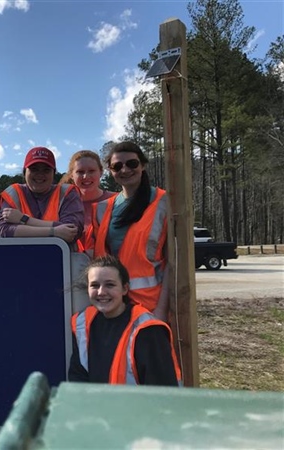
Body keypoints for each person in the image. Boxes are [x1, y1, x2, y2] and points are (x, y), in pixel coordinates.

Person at [87, 141, 169, 320]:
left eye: (132, 163)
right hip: (111, 303)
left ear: (143, 165)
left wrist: (162, 310)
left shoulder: (164, 202)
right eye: (117, 166)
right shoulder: (101, 209)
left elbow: (173, 263)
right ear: (110, 170)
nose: (125, 170)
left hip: (149, 304)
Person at [68, 255, 181, 386]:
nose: (101, 292)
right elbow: (78, 380)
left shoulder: (148, 329)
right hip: (97, 405)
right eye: (94, 285)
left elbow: (161, 391)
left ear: (125, 289)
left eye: (109, 285)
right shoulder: (82, 324)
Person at [0, 146, 84, 247]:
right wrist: (55, 231)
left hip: (62, 259)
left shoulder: (67, 192)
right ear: (25, 172)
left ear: (53, 173)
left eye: (46, 170)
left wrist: (24, 219)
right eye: (34, 169)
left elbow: (72, 232)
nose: (40, 174)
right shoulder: (13, 193)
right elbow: (5, 231)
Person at [60, 150, 115, 237]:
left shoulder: (117, 200)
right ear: (71, 175)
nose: (86, 176)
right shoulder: (62, 204)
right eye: (80, 172)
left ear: (101, 172)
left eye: (91, 171)